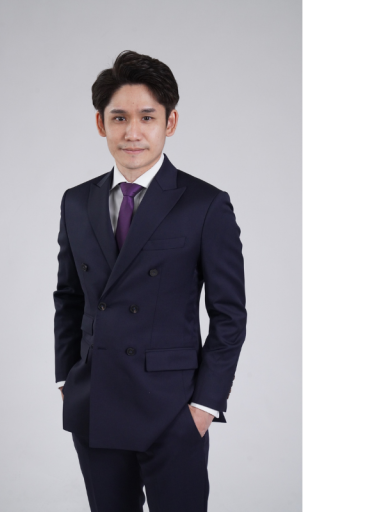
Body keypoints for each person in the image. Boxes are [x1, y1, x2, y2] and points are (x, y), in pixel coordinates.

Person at [53, 50, 247, 511]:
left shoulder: (204, 204)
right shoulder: (76, 202)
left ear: (169, 122)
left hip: (172, 410)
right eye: (119, 118)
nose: (132, 132)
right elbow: (69, 297)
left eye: (147, 117)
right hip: (97, 404)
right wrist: (66, 379)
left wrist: (204, 408)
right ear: (101, 124)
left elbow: (229, 316)